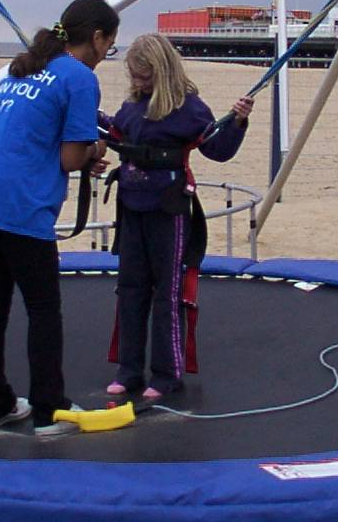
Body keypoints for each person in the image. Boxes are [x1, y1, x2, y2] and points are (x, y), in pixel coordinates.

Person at [0, 0, 119, 436]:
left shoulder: (27, 67)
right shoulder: (78, 77)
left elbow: (37, 138)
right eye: (109, 46)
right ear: (97, 38)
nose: (106, 55)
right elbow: (69, 159)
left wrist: (80, 152)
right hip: (17, 201)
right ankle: (49, 410)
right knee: (43, 308)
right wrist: (95, 150)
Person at [100, 33, 253, 400]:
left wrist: (237, 122)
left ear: (163, 72)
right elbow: (115, 132)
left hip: (169, 210)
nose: (138, 83)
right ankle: (129, 369)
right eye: (134, 76)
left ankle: (167, 374)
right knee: (131, 288)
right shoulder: (131, 107)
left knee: (167, 293)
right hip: (132, 204)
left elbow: (217, 150)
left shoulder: (190, 110)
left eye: (145, 77)